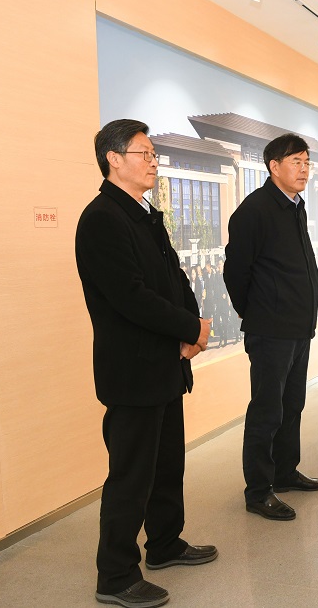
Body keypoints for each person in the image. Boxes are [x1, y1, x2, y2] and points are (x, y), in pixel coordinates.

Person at [76, 119, 217, 608]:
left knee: (167, 463)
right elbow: (130, 297)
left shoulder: (143, 213)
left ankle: (164, 543)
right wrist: (188, 328)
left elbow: (173, 278)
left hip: (164, 363)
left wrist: (192, 328)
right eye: (145, 153)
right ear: (114, 159)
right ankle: (115, 575)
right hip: (132, 370)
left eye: (154, 154)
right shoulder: (101, 219)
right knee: (131, 475)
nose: (154, 161)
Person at [223, 133, 318, 521]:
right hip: (271, 330)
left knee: (292, 405)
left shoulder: (295, 206)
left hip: (298, 327)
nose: (304, 169)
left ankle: (284, 472)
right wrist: (255, 313)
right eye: (296, 161)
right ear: (274, 166)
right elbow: (236, 272)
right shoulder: (254, 210)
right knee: (266, 410)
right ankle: (258, 490)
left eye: (306, 162)